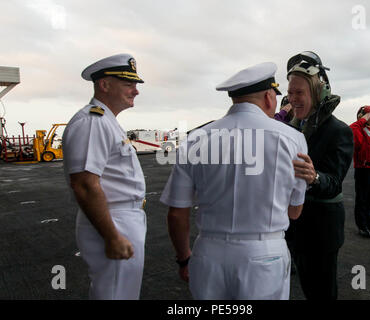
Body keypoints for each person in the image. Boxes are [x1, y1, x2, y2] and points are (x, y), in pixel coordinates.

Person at [160, 62, 308, 300]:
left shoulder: (196, 139)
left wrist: (183, 258)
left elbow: (177, 213)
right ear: (269, 97)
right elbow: (294, 212)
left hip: (209, 253)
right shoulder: (293, 139)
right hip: (265, 255)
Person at [62, 53, 147, 300]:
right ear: (105, 84)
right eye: (128, 84)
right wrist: (112, 236)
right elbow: (85, 184)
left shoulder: (107, 121)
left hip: (120, 218)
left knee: (122, 291)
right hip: (112, 221)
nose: (135, 91)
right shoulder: (93, 122)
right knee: (115, 293)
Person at [287, 51, 353, 300]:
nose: (292, 99)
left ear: (316, 93)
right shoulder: (291, 129)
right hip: (294, 225)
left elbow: (334, 183)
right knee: (305, 285)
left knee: (322, 292)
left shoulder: (339, 131)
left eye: (299, 93)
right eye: (290, 93)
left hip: (321, 228)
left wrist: (315, 177)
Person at [350, 106, 370, 237]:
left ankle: (369, 223)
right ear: (362, 116)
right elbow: (352, 130)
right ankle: (362, 226)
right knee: (362, 199)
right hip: (363, 170)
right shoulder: (357, 129)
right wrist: (362, 120)